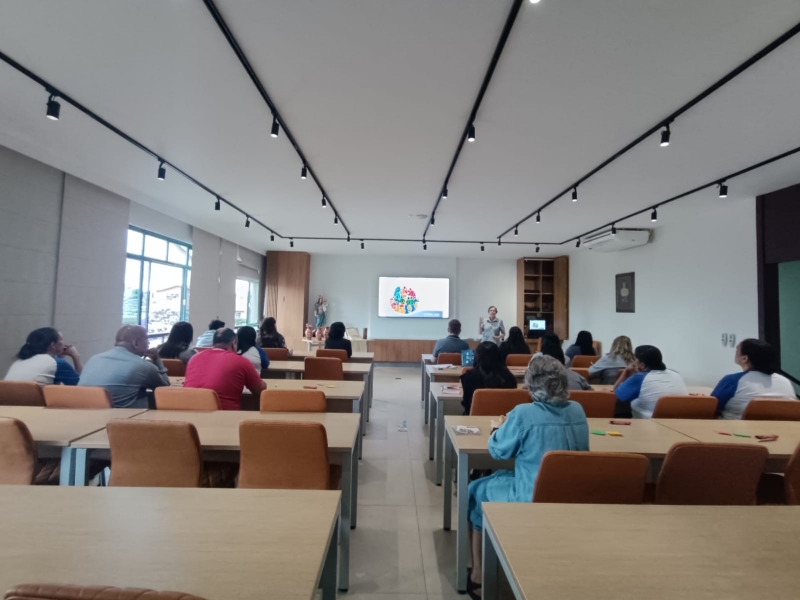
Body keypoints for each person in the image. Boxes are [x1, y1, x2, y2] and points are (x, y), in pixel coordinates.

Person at [466, 355, 589, 593]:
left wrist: (498, 429)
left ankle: (478, 573)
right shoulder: (578, 410)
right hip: (572, 496)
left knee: (475, 489)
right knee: (501, 476)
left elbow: (497, 451)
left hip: (529, 498)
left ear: (531, 383)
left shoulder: (523, 413)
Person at [78, 325, 170, 408]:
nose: (149, 343)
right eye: (147, 339)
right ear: (135, 343)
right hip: (122, 417)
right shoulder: (143, 366)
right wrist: (157, 359)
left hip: (85, 413)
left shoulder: (94, 358)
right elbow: (165, 388)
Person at [711, 339, 796, 420]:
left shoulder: (732, 380)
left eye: (736, 351)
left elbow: (711, 407)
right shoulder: (785, 381)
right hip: (782, 428)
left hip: (737, 428)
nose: (735, 353)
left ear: (744, 359)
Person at [184, 328, 265, 410]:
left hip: (189, 412)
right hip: (224, 414)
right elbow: (261, 391)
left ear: (213, 343)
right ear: (234, 343)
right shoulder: (241, 361)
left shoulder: (194, 358)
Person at [614, 345, 687, 418]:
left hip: (648, 422)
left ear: (642, 365)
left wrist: (626, 371)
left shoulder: (640, 377)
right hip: (679, 420)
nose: (633, 362)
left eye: (635, 360)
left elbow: (616, 395)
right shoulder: (675, 374)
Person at [4, 327, 82, 385]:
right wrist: (75, 356)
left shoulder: (20, 360)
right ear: (53, 345)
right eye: (61, 340)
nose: (63, 343)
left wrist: (57, 357)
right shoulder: (56, 363)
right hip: (33, 402)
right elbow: (81, 384)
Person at [460, 342, 517, 415]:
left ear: (477, 357)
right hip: (503, 419)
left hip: (475, 418)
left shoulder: (468, 377)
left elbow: (467, 406)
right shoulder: (509, 377)